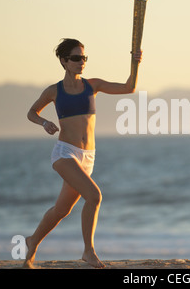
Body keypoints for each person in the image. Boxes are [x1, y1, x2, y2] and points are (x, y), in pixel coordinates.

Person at [24, 38, 142, 268]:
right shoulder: (54, 91)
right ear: (64, 61)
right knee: (94, 196)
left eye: (84, 58)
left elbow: (129, 87)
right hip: (64, 154)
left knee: (61, 210)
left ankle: (32, 241)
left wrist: (134, 63)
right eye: (77, 58)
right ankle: (89, 251)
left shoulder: (92, 85)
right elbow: (31, 112)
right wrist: (44, 122)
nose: (82, 62)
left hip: (88, 157)